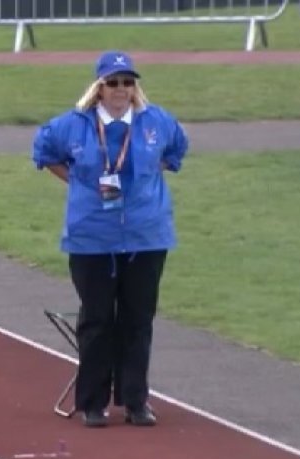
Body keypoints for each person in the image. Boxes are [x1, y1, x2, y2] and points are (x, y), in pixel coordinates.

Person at [31, 51, 189, 428]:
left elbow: (177, 150)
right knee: (97, 319)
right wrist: (78, 182)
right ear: (99, 87)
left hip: (145, 237)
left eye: (127, 82)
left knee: (138, 320)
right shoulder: (73, 125)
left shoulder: (156, 122)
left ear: (135, 87)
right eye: (113, 82)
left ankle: (135, 400)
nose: (121, 89)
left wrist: (147, 179)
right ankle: (92, 402)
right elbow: (44, 152)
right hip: (92, 237)